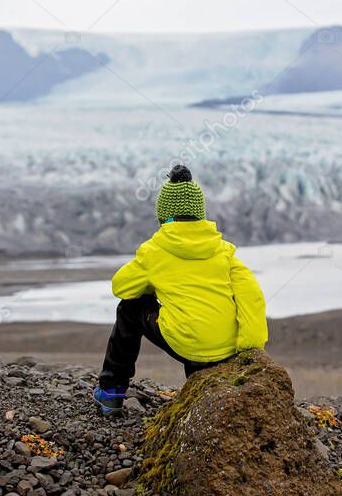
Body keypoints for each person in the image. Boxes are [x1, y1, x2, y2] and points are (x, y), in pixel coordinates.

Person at [93, 165, 268, 415]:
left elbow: (121, 286)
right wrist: (249, 350)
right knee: (199, 318)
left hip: (188, 344)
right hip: (226, 349)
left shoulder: (155, 251)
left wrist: (152, 283)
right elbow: (252, 297)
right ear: (200, 214)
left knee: (130, 308)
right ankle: (203, 387)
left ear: (163, 215)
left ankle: (111, 391)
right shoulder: (224, 252)